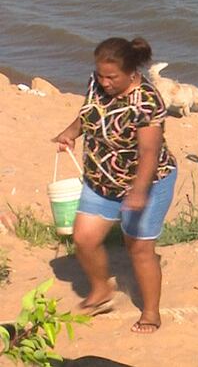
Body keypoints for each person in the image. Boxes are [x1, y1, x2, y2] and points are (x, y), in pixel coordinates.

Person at [53, 37, 177, 334]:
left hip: (148, 181)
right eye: (100, 75)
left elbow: (149, 152)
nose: (104, 82)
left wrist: (138, 190)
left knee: (139, 248)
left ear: (131, 72)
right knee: (84, 239)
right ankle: (101, 291)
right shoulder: (96, 84)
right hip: (101, 180)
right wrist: (70, 132)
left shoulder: (146, 101)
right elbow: (90, 114)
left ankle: (150, 312)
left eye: (112, 77)